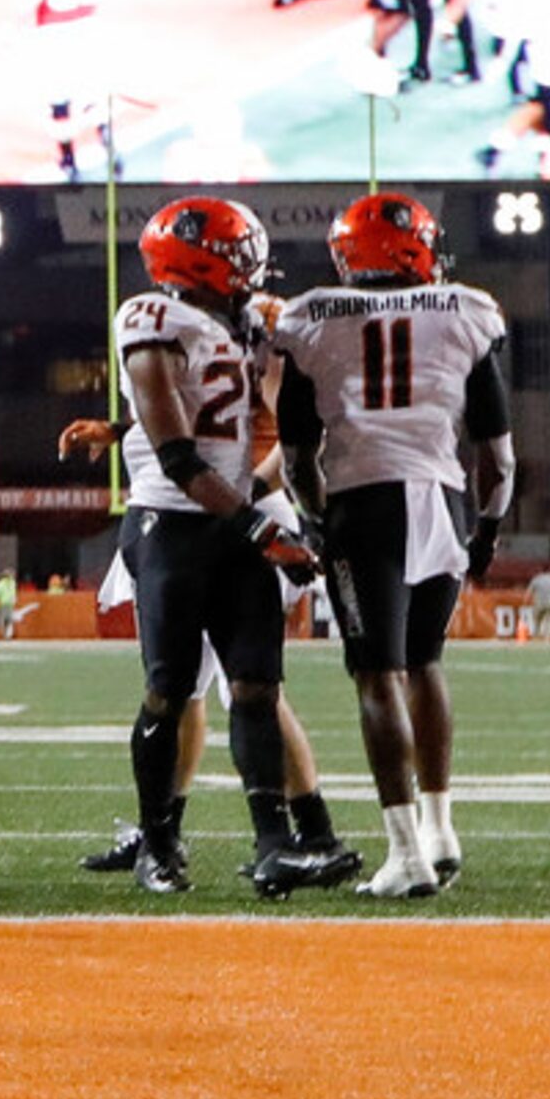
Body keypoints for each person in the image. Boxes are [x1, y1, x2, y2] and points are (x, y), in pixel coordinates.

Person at [106, 197, 352, 901]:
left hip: (237, 521)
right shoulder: (149, 318)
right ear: (197, 258)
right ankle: (159, 844)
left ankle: (276, 846)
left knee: (256, 686)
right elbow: (180, 455)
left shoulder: (249, 321)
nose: (248, 264)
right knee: (169, 691)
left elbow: (243, 411)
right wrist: (261, 528)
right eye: (234, 251)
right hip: (173, 525)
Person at [272, 193, 512, 898]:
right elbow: (498, 457)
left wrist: (315, 521)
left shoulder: (311, 317)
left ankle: (405, 853)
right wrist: (488, 528)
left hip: (365, 500)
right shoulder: (465, 311)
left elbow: (295, 455)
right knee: (425, 662)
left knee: (377, 675)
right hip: (441, 496)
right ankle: (440, 827)